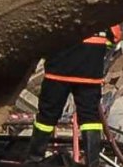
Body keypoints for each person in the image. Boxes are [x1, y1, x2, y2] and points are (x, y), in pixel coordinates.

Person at [35, 24, 116, 156]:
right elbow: (116, 34)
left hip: (59, 66)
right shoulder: (104, 6)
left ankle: (35, 158)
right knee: (90, 118)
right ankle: (92, 166)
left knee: (47, 115)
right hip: (90, 68)